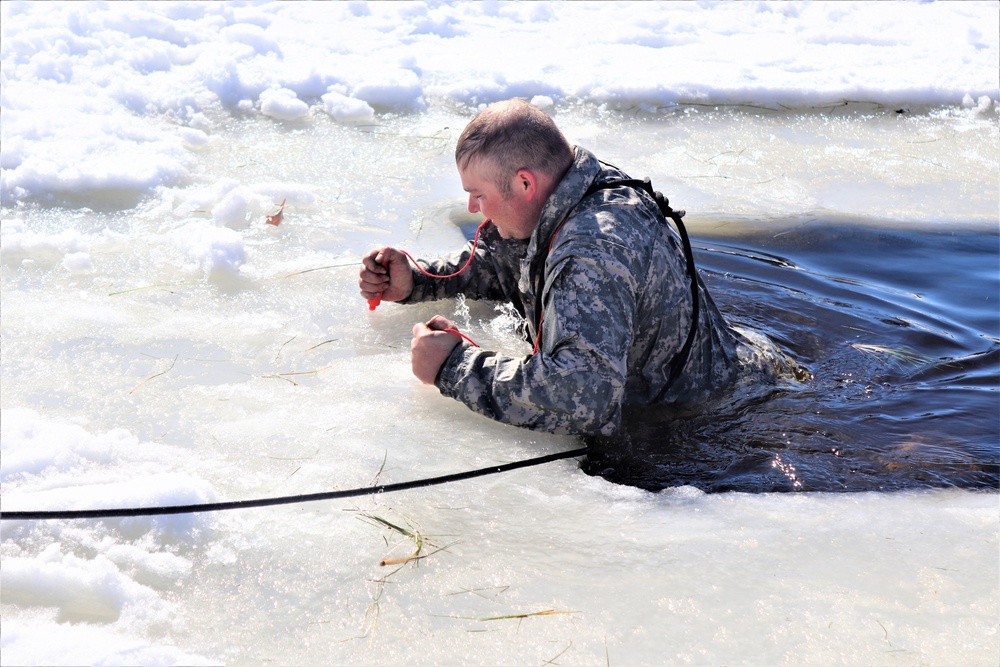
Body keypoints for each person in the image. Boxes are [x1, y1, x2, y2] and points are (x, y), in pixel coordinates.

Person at [358, 98, 747, 437]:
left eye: (479, 194)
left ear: (526, 183)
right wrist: (419, 280)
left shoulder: (593, 251)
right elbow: (510, 261)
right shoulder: (570, 187)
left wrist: (453, 366)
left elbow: (583, 395)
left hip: (709, 416)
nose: (474, 208)